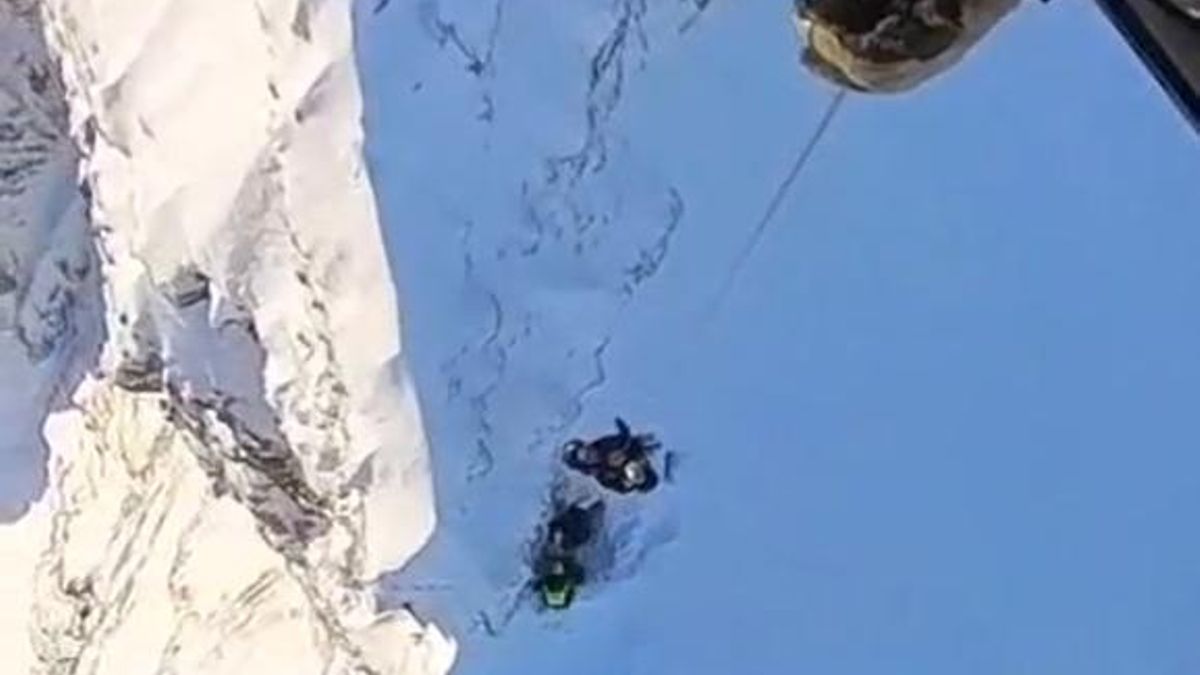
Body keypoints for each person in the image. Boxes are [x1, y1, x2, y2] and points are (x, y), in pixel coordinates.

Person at [562, 418, 661, 494]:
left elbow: (605, 481)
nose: (635, 473)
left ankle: (575, 458)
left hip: (601, 462)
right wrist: (626, 437)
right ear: (643, 467)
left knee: (591, 462)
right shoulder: (637, 455)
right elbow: (631, 441)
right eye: (639, 472)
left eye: (636, 478)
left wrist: (601, 472)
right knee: (607, 450)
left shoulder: (622, 484)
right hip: (608, 446)